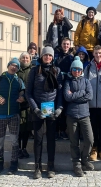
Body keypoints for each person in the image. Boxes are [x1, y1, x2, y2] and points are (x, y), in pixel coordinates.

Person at [26, 46, 63, 179]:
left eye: (50, 56)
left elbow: (59, 92)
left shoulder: (56, 71)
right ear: (41, 56)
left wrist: (59, 108)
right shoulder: (34, 71)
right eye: (46, 55)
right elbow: (28, 93)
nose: (48, 57)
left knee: (51, 140)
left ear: (53, 57)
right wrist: (35, 109)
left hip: (51, 111)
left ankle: (51, 166)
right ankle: (37, 167)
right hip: (38, 111)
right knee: (38, 139)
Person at [0, 58, 25, 175]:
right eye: (12, 65)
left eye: (16, 66)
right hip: (0, 115)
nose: (14, 67)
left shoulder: (19, 80)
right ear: (8, 66)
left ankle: (14, 163)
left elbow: (24, 91)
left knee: (14, 141)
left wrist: (23, 97)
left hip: (14, 115)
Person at [64, 57, 94, 177]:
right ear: (71, 70)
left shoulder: (86, 81)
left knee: (89, 139)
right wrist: (82, 93)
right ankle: (76, 163)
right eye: (74, 69)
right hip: (71, 115)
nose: (76, 71)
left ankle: (84, 159)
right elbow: (67, 97)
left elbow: (89, 96)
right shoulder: (68, 82)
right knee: (74, 141)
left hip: (84, 115)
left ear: (82, 70)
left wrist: (75, 95)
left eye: (79, 69)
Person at [54, 37, 74, 140]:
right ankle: (56, 131)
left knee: (65, 108)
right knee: (57, 107)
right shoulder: (56, 55)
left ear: (70, 45)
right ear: (61, 45)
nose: (66, 46)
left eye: (67, 44)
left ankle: (63, 130)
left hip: (67, 84)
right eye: (64, 44)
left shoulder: (71, 57)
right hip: (57, 85)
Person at [16, 52, 33, 159]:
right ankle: (18, 149)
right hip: (17, 103)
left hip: (28, 104)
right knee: (18, 129)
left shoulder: (33, 70)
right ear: (20, 59)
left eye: (27, 58)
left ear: (30, 59)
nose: (25, 59)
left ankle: (24, 148)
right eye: (23, 58)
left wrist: (25, 98)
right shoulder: (16, 70)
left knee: (26, 128)